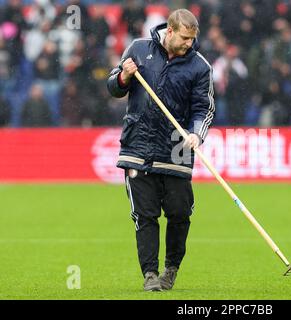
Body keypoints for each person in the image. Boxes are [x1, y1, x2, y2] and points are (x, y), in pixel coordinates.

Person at [107, 9, 215, 291]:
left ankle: (171, 269)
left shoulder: (200, 67)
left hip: (178, 150)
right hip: (137, 147)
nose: (189, 44)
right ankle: (150, 275)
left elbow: (204, 109)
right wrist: (124, 77)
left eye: (193, 39)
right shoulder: (138, 49)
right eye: (185, 38)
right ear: (170, 31)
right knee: (145, 215)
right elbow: (114, 87)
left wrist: (196, 134)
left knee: (180, 213)